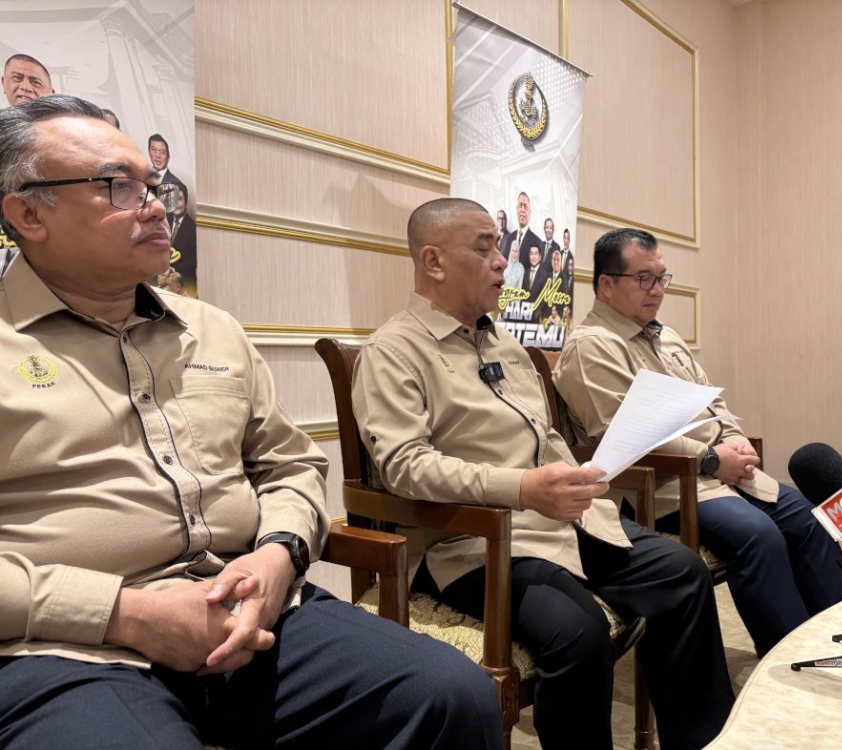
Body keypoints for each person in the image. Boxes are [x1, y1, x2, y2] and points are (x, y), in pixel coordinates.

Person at [0, 95, 502, 750]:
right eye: (116, 186)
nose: (156, 203)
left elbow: (290, 467)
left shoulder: (214, 330)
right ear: (29, 212)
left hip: (251, 610)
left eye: (152, 184)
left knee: (451, 697)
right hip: (65, 647)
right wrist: (124, 612)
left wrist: (279, 555)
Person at [352, 198, 735, 750]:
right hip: (474, 542)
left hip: (567, 521)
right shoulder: (393, 350)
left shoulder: (506, 346)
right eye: (484, 248)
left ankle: (702, 741)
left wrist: (583, 477)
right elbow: (404, 467)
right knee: (578, 635)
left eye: (500, 247)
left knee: (683, 574)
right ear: (433, 261)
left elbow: (546, 439)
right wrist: (523, 490)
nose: (503, 262)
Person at [553, 227, 842, 657]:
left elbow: (715, 404)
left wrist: (738, 444)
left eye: (661, 278)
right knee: (760, 536)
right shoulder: (592, 347)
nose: (657, 290)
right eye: (644, 279)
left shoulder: (667, 337)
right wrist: (711, 459)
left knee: (810, 519)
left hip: (723, 471)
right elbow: (623, 436)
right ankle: (792, 662)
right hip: (666, 485)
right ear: (606, 283)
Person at [168, 182, 197, 287]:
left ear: (186, 202)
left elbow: (194, 260)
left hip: (183, 282)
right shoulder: (164, 219)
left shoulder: (193, 229)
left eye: (179, 199)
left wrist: (173, 270)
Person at [499, 191, 541, 262]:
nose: (522, 210)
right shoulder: (509, 239)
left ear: (530, 212)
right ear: (516, 209)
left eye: (525, 206)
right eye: (520, 206)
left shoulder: (537, 242)